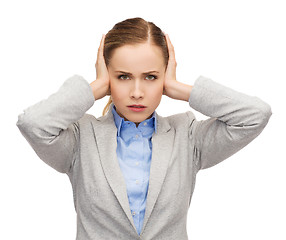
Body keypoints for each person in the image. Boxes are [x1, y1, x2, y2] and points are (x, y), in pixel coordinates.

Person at [16, 17, 272, 240]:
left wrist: (180, 89)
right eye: (123, 76)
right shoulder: (80, 138)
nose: (137, 93)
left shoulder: (188, 135)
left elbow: (254, 116)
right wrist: (94, 87)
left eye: (151, 77)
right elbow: (33, 124)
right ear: (107, 75)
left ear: (164, 76)